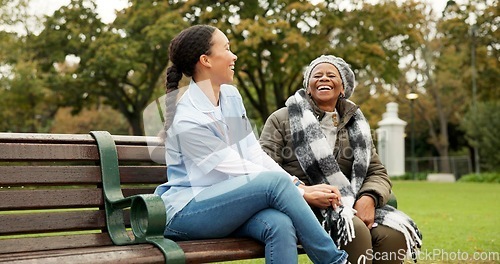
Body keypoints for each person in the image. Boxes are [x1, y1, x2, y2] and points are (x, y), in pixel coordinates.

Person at [154, 25, 348, 264]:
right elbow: (237, 168)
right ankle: (335, 261)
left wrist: (296, 184)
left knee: (279, 224)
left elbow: (252, 154)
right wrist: (302, 192)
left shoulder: (231, 97)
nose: (233, 55)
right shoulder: (187, 118)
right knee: (274, 183)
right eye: (226, 48)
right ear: (206, 60)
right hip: (186, 213)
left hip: (227, 207)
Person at [259, 55, 422, 264]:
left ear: (343, 87)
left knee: (393, 236)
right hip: (301, 204)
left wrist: (369, 198)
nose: (323, 78)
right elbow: (264, 166)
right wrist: (304, 192)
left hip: (349, 201)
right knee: (355, 231)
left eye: (331, 75)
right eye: (316, 75)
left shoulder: (357, 124)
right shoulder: (281, 119)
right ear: (308, 87)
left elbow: (376, 172)